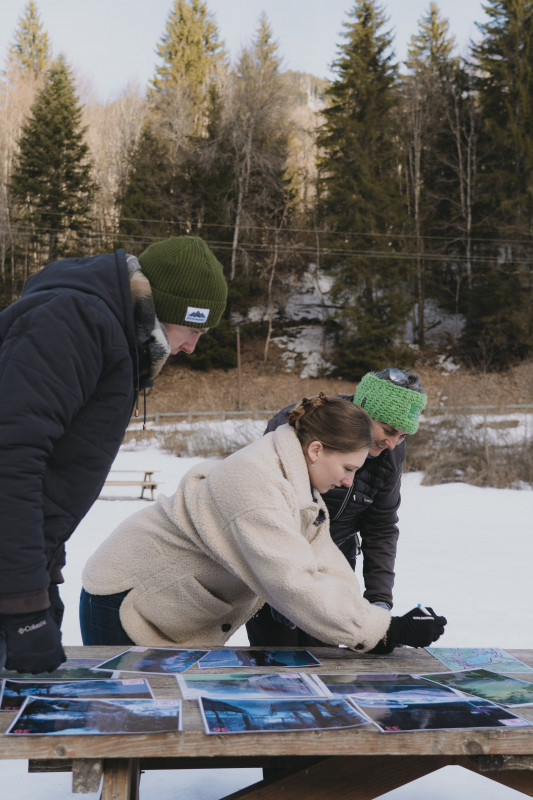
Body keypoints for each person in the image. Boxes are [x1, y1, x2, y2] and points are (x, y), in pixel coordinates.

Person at [0, 235, 228, 675]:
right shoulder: (75, 322)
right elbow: (11, 460)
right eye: (194, 330)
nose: (192, 348)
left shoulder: (116, 336)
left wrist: (42, 573)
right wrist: (23, 608)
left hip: (22, 565)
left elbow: (53, 473)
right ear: (165, 311)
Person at [80, 393, 446, 654]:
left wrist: (377, 622)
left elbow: (323, 560)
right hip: (127, 599)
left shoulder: (296, 481)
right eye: (348, 468)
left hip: (166, 599)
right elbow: (294, 582)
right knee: (128, 725)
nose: (350, 481)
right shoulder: (256, 485)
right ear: (317, 450)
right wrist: (383, 631)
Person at [246, 367, 428, 648]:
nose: (393, 444)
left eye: (403, 436)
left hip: (335, 561)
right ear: (363, 410)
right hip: (278, 556)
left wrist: (379, 602)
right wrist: (279, 590)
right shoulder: (298, 427)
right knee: (276, 662)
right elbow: (264, 510)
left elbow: (381, 526)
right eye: (389, 430)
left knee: (326, 659)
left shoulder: (390, 456)